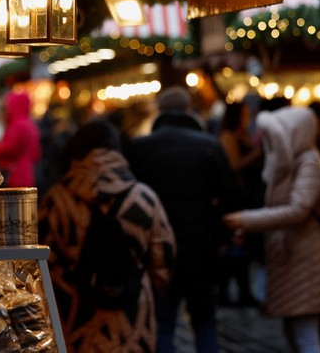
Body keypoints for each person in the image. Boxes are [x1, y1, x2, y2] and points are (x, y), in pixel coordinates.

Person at [39, 119, 175, 352]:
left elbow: (41, 263)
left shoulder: (56, 199)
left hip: (75, 317)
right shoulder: (144, 197)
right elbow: (163, 260)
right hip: (132, 318)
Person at [125, 86, 242, 353]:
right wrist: (221, 238)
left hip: (157, 246)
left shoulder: (141, 147)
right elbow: (230, 197)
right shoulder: (209, 145)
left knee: (163, 320)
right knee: (205, 320)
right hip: (202, 246)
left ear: (160, 111)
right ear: (189, 109)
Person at [223, 105, 320, 353]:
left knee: (306, 332)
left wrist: (248, 220)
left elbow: (298, 211)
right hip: (291, 254)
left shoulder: (309, 164)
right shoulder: (291, 163)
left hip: (306, 256)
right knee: (294, 330)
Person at [217, 101, 262, 307]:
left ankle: (242, 290)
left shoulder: (242, 134)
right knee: (235, 244)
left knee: (242, 246)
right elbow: (233, 165)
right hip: (235, 196)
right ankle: (228, 291)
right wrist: (256, 154)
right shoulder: (229, 137)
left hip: (246, 195)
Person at [0, 90, 41, 187]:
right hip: (28, 172)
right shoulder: (29, 123)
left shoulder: (17, 124)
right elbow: (36, 153)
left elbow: (9, 147)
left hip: (15, 174)